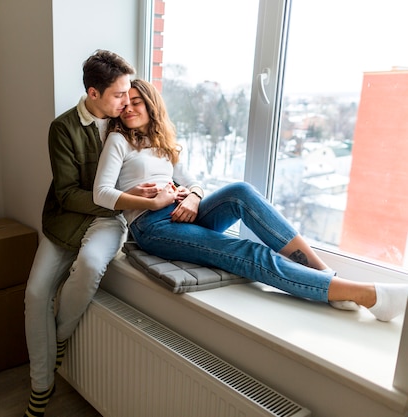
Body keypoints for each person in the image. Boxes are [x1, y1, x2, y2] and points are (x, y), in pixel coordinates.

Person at [93, 78, 408, 323]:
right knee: (248, 251)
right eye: (125, 104)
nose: (130, 109)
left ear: (151, 105)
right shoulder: (118, 141)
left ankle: (324, 275)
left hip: (182, 211)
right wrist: (154, 202)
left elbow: (193, 182)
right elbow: (102, 193)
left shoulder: (163, 143)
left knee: (241, 191)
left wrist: (194, 197)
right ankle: (365, 295)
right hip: (152, 226)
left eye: (138, 102)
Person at [23, 50, 137, 417]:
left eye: (128, 92)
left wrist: (191, 192)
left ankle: (58, 340)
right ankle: (41, 387)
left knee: (89, 266)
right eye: (118, 94)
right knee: (36, 293)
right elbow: (66, 193)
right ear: (93, 93)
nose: (126, 100)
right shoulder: (63, 128)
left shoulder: (132, 122)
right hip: (66, 219)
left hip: (108, 220)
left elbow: (163, 163)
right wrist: (115, 200)